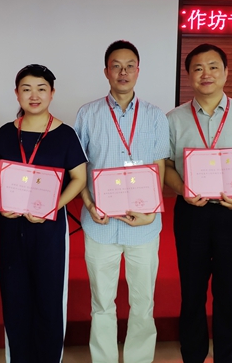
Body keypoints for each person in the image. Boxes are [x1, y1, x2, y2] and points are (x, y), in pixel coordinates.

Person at [164, 43, 232, 363]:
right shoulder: (173, 119)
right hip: (191, 213)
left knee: (227, 290)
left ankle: (226, 355)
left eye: (213, 67)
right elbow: (166, 166)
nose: (206, 74)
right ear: (189, 75)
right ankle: (193, 355)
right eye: (198, 68)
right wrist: (182, 189)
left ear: (226, 72)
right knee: (192, 290)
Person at [74, 40, 170, 363]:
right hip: (100, 225)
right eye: (116, 66)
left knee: (143, 302)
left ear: (138, 71)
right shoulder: (87, 114)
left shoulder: (155, 116)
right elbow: (78, 169)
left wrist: (152, 210)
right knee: (102, 303)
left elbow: (159, 166)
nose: (123, 72)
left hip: (144, 226)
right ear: (106, 71)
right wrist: (89, 205)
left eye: (130, 66)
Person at [0, 64, 87, 362]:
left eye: (41, 89)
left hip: (49, 231)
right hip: (10, 230)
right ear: (17, 93)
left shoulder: (65, 134)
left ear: (52, 93)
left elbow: (79, 178)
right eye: (27, 89)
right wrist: (0, 204)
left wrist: (52, 206)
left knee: (49, 301)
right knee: (15, 299)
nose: (34, 95)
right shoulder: (6, 133)